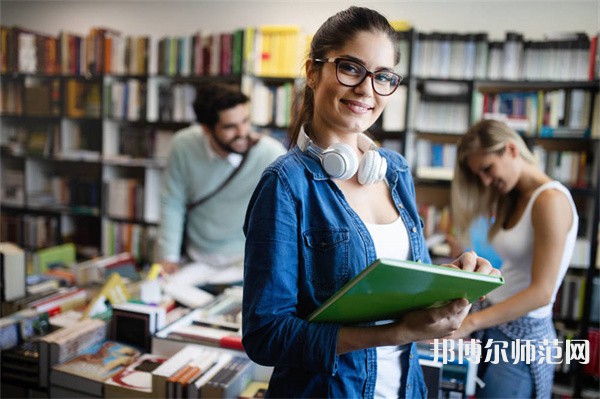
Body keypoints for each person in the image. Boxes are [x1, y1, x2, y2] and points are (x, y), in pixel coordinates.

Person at [242, 7, 500, 398]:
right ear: (313, 72)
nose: (367, 90)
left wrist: (452, 282)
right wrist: (397, 333)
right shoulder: (285, 184)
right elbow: (265, 335)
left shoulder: (394, 171)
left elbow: (405, 287)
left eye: (383, 77)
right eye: (350, 68)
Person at [448, 119, 579, 398]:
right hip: (496, 325)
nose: (485, 181)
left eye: (487, 169)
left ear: (510, 149)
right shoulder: (514, 196)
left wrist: (469, 324)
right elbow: (512, 269)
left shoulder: (550, 201)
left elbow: (542, 293)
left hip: (522, 339)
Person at [158, 82, 286, 274]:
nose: (242, 132)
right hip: (197, 260)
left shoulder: (271, 153)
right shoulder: (183, 145)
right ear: (207, 129)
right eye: (230, 127)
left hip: (247, 262)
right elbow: (172, 202)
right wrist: (169, 256)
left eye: (245, 121)